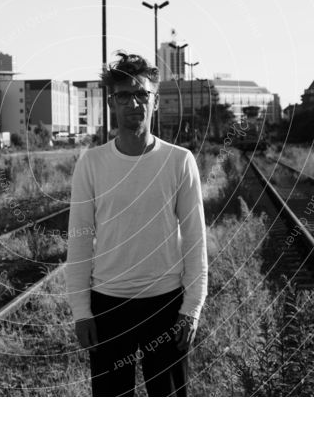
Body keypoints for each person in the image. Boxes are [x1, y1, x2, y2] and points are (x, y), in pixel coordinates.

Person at [66, 52, 208, 397]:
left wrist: (191, 309)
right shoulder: (92, 164)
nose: (134, 102)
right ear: (112, 103)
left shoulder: (179, 161)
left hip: (166, 305)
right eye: (123, 95)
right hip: (108, 307)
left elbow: (194, 239)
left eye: (142, 94)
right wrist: (82, 312)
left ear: (154, 101)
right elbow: (80, 240)